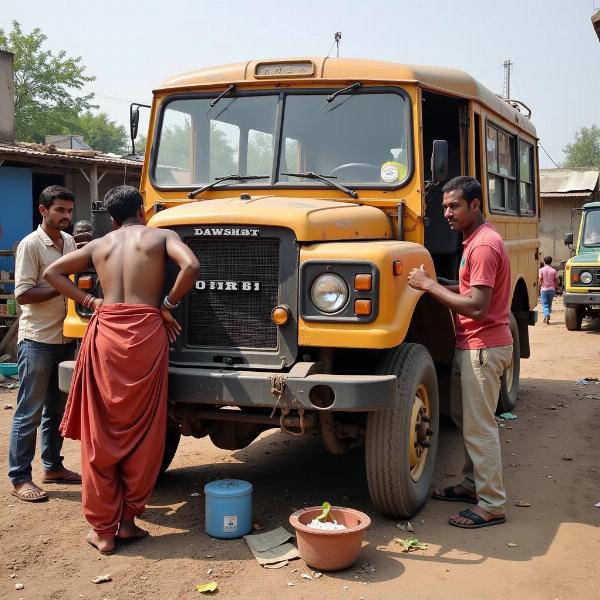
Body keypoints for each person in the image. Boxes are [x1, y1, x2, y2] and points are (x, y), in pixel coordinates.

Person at [44, 185, 200, 555]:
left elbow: (52, 272)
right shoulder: (162, 236)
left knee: (103, 430)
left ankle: (102, 531)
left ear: (112, 219)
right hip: (147, 333)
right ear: (142, 211)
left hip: (106, 334)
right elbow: (191, 266)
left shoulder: (100, 244)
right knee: (143, 432)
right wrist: (167, 302)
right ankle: (128, 523)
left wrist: (90, 299)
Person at [407, 176, 512, 529]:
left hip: (484, 347)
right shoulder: (474, 240)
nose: (447, 213)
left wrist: (431, 286)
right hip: (473, 345)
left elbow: (477, 307)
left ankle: (492, 503)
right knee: (465, 420)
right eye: (444, 207)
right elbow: (468, 290)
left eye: (454, 206)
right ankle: (471, 485)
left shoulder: (482, 246)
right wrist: (433, 287)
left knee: (480, 429)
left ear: (475, 205)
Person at [8, 185, 81, 502]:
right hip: (37, 339)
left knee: (57, 409)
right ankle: (20, 477)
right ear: (43, 210)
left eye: (69, 210)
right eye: (59, 210)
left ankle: (52, 467)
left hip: (65, 336)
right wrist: (59, 284)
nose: (66, 216)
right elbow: (23, 294)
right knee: (29, 411)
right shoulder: (30, 245)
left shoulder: (69, 242)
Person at [538, 256, 559, 325]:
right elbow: (556, 280)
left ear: (544, 262)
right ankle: (546, 317)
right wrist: (556, 286)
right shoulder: (554, 270)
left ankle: (546, 315)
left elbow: (540, 279)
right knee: (549, 304)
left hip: (544, 289)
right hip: (552, 290)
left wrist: (539, 285)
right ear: (551, 262)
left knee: (545, 304)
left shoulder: (541, 270)